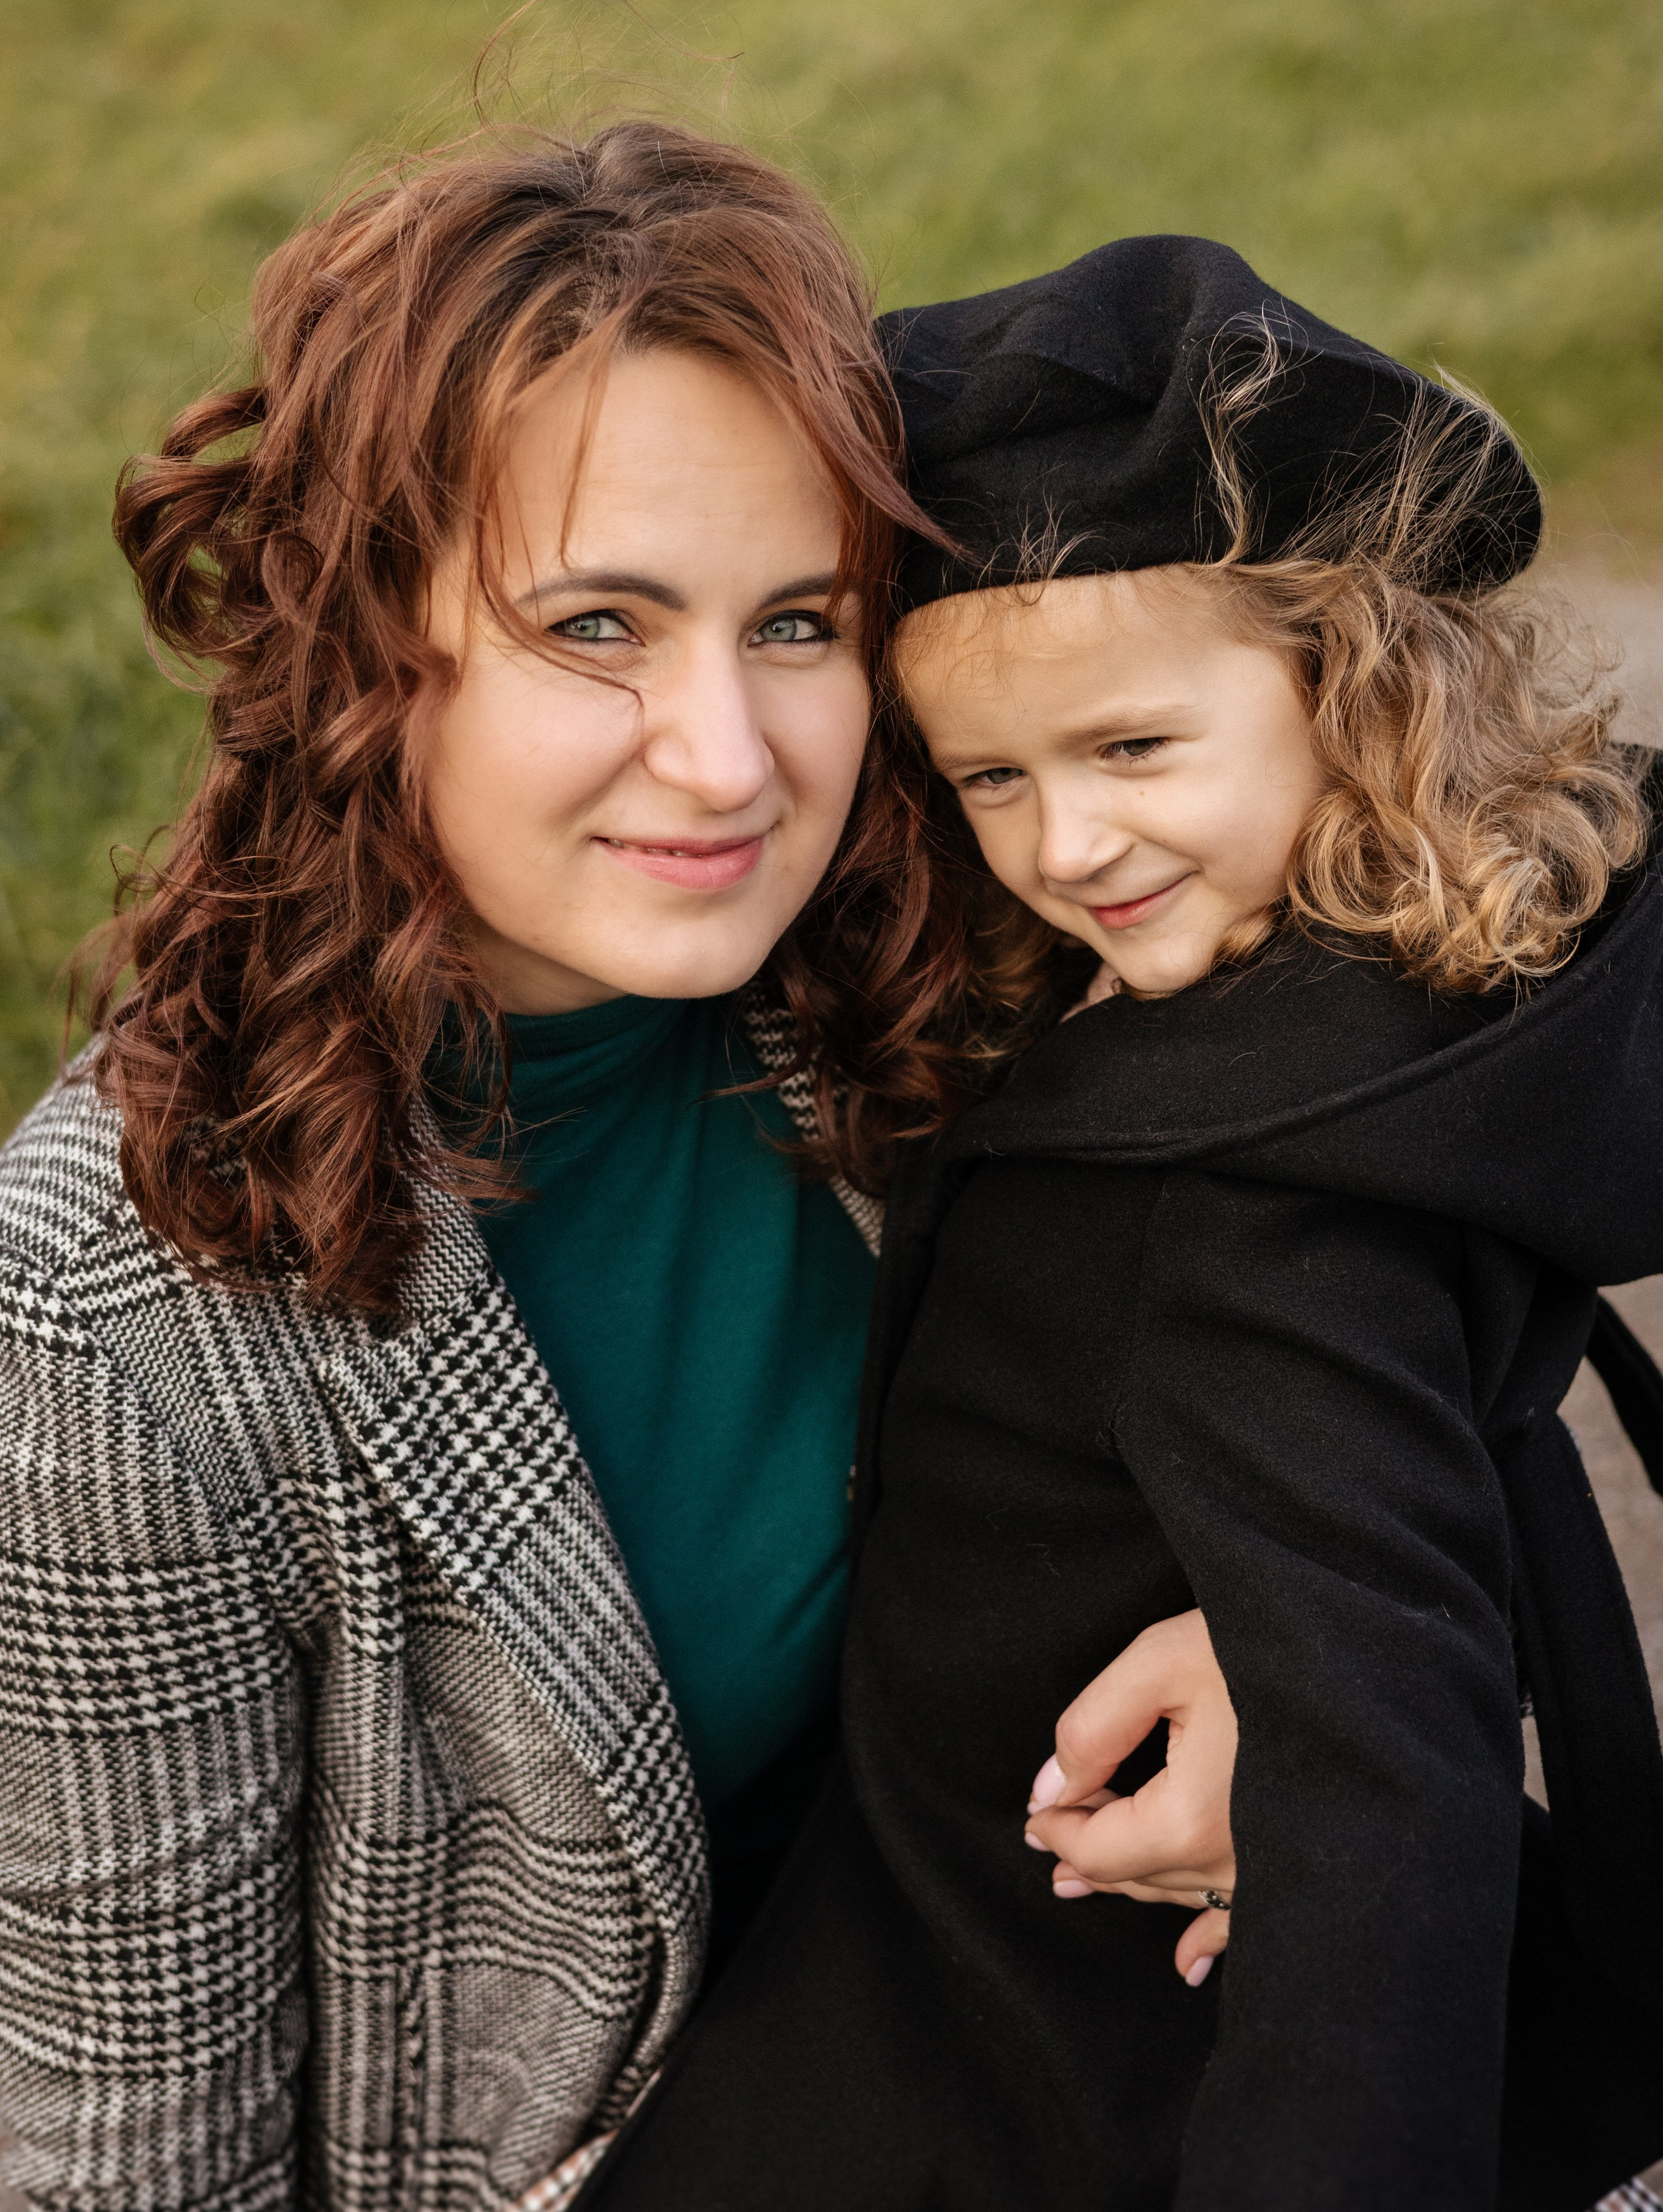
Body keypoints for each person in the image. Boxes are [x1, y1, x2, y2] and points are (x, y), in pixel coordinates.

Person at [0, 129, 1243, 2212]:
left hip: (1096, 2064)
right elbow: (132, 2147)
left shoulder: (975, 923)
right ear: (369, 646)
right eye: (599, 623)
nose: (730, 756)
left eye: (795, 623)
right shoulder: (116, 1308)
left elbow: (1468, 1038)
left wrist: (1275, 1621)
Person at [580, 240, 1663, 2212]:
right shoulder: (1379, 1001)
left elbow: (1382, 1779)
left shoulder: (1249, 1210)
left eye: (1133, 751)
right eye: (991, 776)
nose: (1065, 845)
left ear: (1350, 682)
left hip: (1053, 2028)